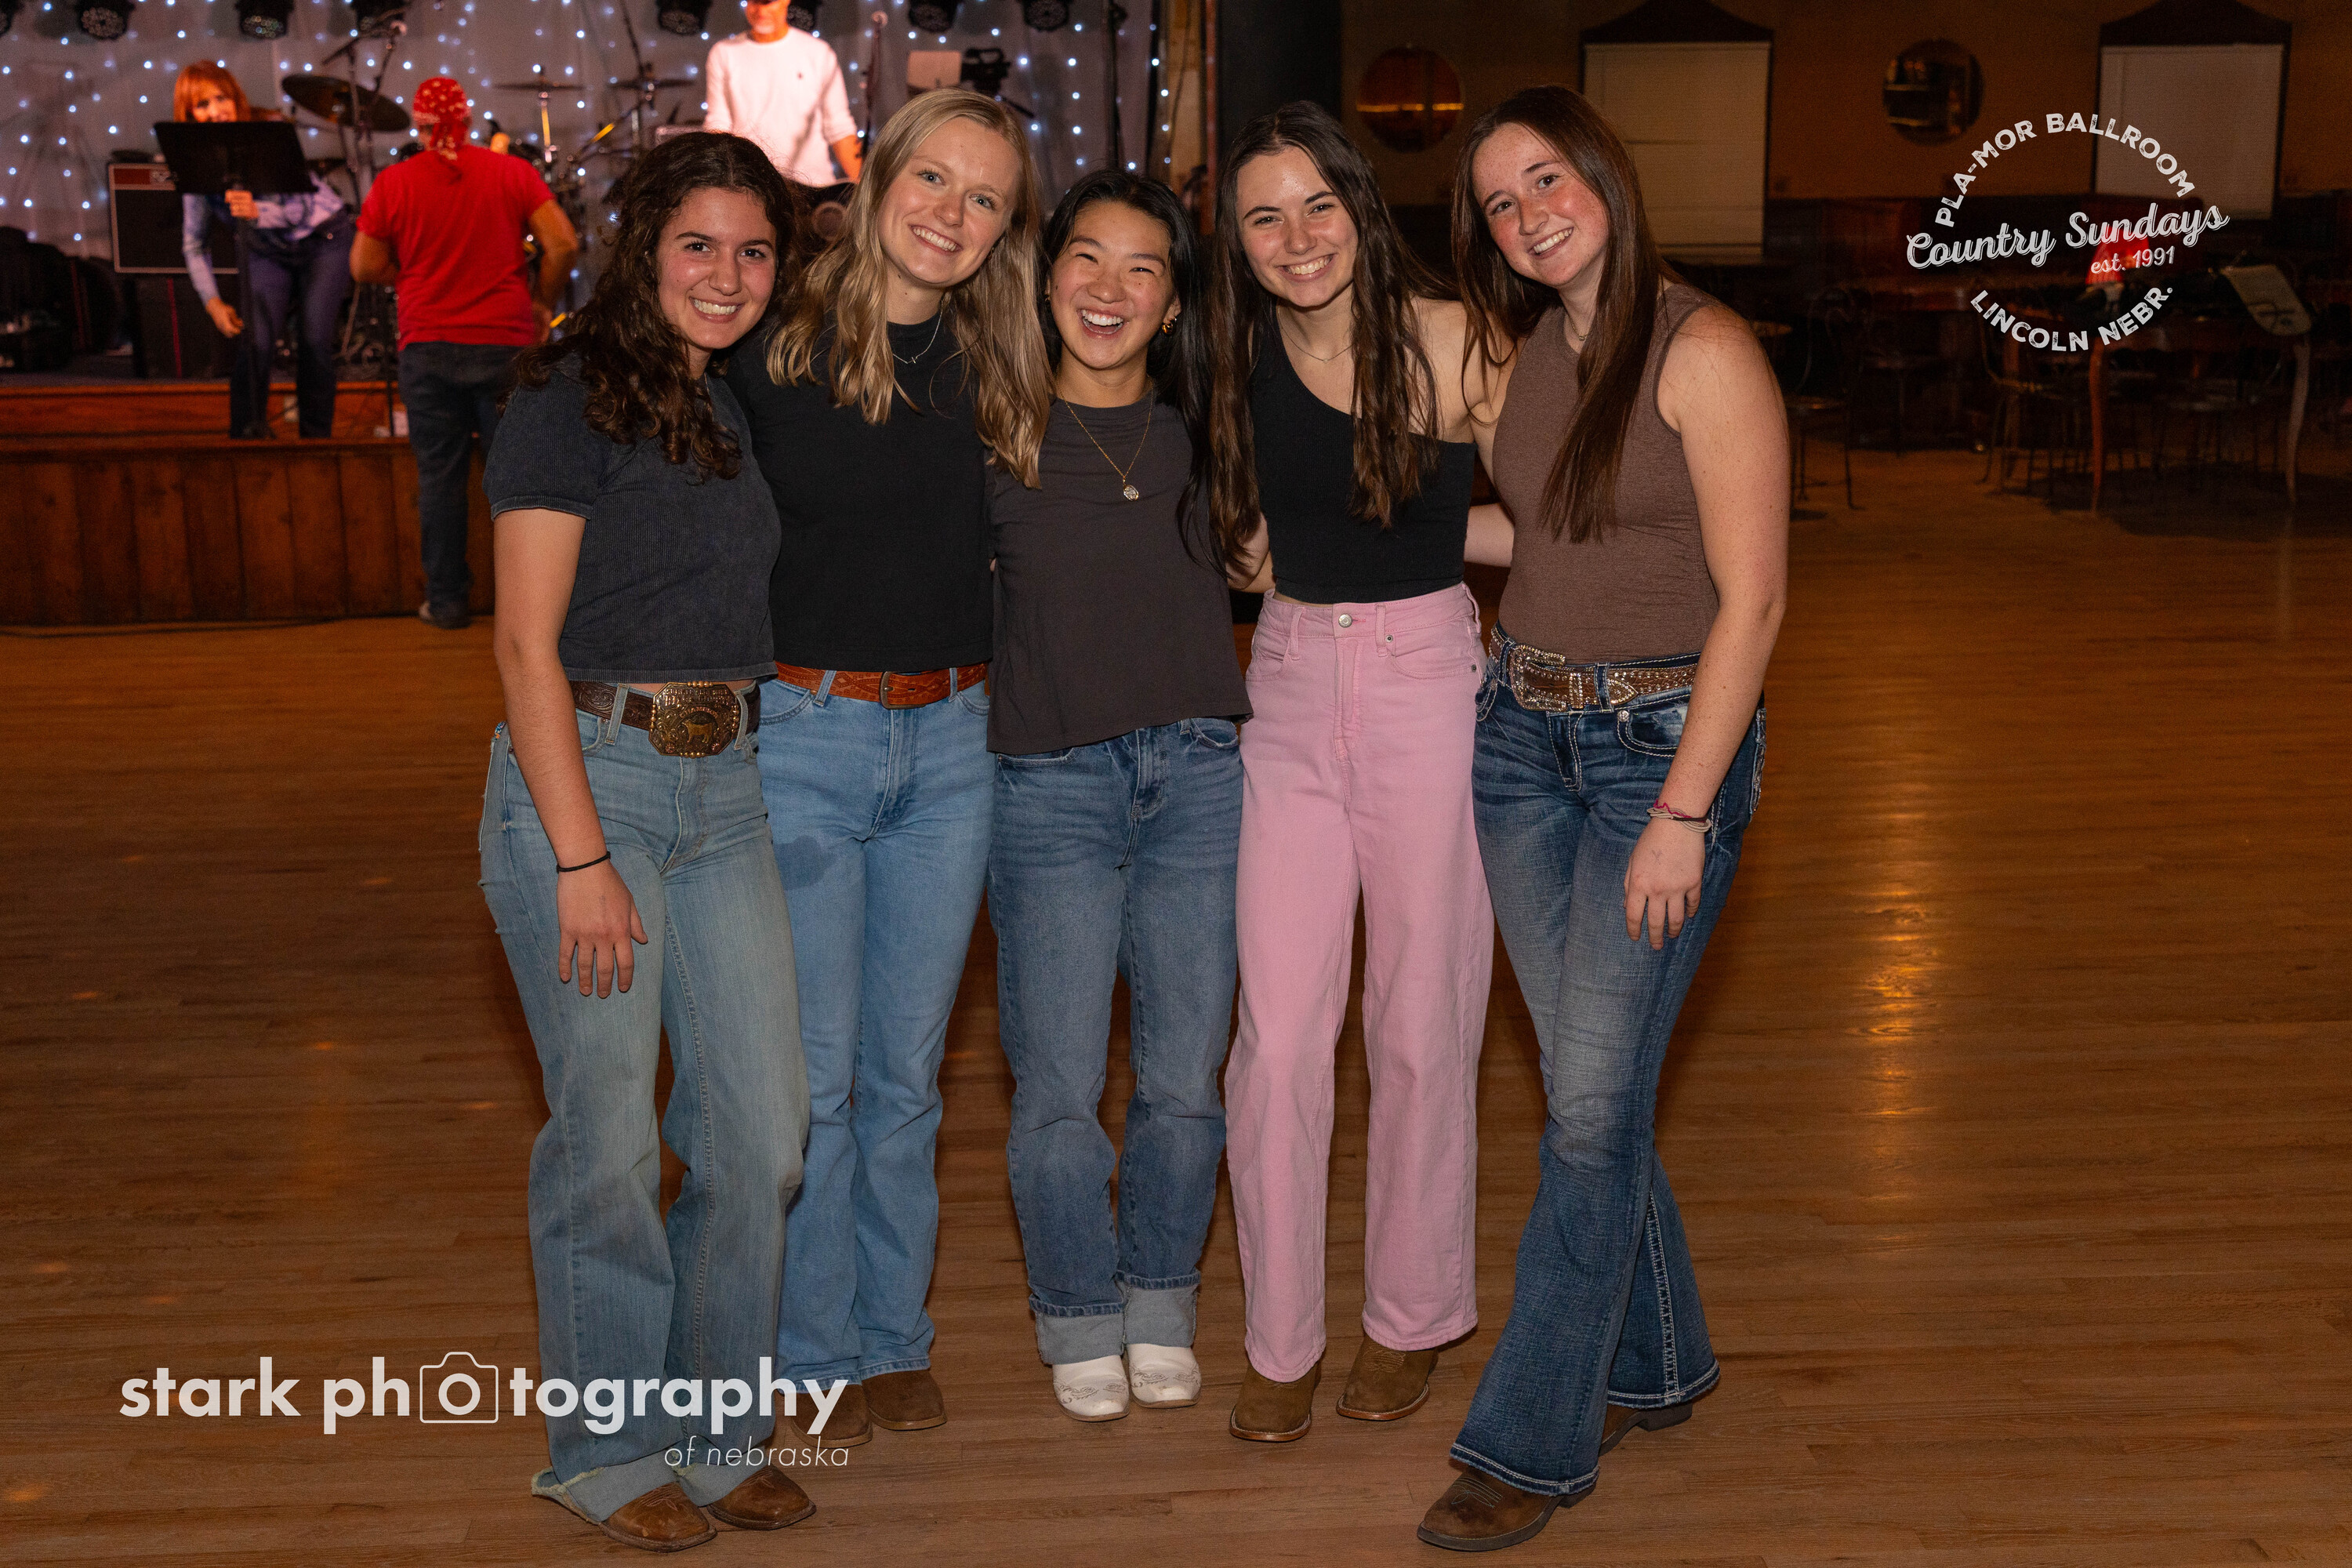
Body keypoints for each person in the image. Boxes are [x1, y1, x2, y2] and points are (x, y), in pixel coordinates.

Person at [1414, 85, 1788, 1552]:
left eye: (1548, 181)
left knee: (1581, 1109)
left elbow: (1754, 600)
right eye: (1499, 203)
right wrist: (1369, 534)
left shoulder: (1705, 351)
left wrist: (1685, 811)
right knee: (1598, 1091)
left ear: (1607, 180)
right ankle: (1659, 1361)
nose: (1528, 216)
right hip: (1520, 742)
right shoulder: (1531, 356)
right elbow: (1541, 536)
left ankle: (1530, 1440)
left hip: (1656, 755)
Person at [479, 131, 813, 1555]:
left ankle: (717, 1433)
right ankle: (607, 1453)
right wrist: (577, 859)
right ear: (643, 252)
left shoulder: (721, 397)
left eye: (754, 250)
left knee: (761, 1135)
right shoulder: (564, 394)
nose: (727, 276)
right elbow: (523, 645)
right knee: (608, 1142)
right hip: (592, 787)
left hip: (724, 791)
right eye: (698, 246)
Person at [718, 89, 1049, 1446]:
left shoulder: (1003, 360)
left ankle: (893, 1340)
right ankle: (812, 1350)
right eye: (932, 180)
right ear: (877, 180)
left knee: (908, 1080)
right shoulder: (771, 344)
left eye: (985, 199)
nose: (951, 215)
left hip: (957, 747)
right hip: (805, 737)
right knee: (817, 1083)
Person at [1207, 100, 1512, 1445]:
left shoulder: (1452, 337)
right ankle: (1279, 1341)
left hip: (1428, 680)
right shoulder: (1231, 356)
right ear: (1237, 242)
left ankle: (1411, 1315)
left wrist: (1445, 539)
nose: (1296, 238)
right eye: (1263, 217)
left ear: (1360, 207)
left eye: (1317, 205)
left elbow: (1562, 508)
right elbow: (1233, 531)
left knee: (1422, 1019)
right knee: (1276, 1037)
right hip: (1284, 682)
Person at [985, 170, 1248, 1423]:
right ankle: (1078, 1313)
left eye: (1144, 268)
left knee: (1188, 1076)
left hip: (1198, 776)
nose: (1110, 288)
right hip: (1050, 785)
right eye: (1087, 258)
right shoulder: (993, 435)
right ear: (1048, 279)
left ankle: (1159, 1302)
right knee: (1058, 1085)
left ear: (1173, 301)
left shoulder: (1211, 435)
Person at [352, 75, 579, 631]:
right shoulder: (512, 173)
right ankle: (529, 608)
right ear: (469, 120)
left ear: (418, 124)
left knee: (440, 479)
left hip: (428, 346)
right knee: (518, 485)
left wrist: (410, 277)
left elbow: (362, 265)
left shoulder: (394, 182)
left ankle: (448, 601)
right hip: (504, 345)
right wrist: (540, 304)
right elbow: (563, 243)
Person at [172, 64, 353, 441]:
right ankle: (246, 439)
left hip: (323, 239)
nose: (216, 110)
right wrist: (213, 303)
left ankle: (316, 443)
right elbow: (194, 243)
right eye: (202, 105)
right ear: (189, 114)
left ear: (235, 97)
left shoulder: (269, 128)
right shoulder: (194, 160)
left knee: (314, 342)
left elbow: (301, 209)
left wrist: (258, 212)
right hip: (266, 249)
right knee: (255, 343)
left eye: (221, 98)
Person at [704, 0, 863, 188]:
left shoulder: (818, 52)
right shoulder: (724, 53)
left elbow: (839, 127)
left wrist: (864, 187)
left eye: (768, 2)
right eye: (754, 2)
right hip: (752, 185)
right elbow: (719, 124)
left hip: (812, 186)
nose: (761, 11)